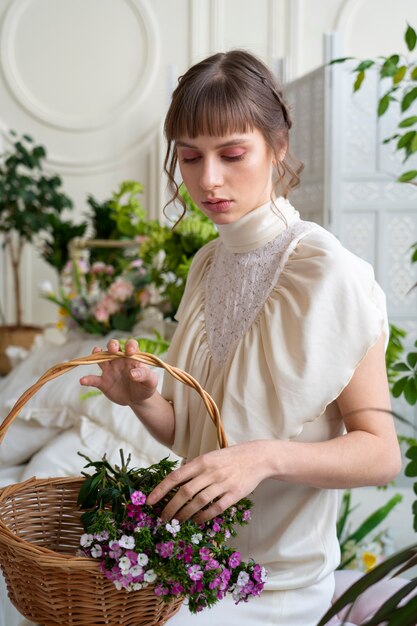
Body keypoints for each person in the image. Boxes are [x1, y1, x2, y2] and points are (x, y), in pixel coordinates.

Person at [80, 50, 402, 625]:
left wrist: (265, 459)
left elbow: (381, 453)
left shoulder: (329, 272)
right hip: (192, 562)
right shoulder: (207, 265)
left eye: (232, 154)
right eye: (189, 157)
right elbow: (194, 438)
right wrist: (144, 400)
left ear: (277, 146)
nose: (208, 180)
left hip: (274, 584)